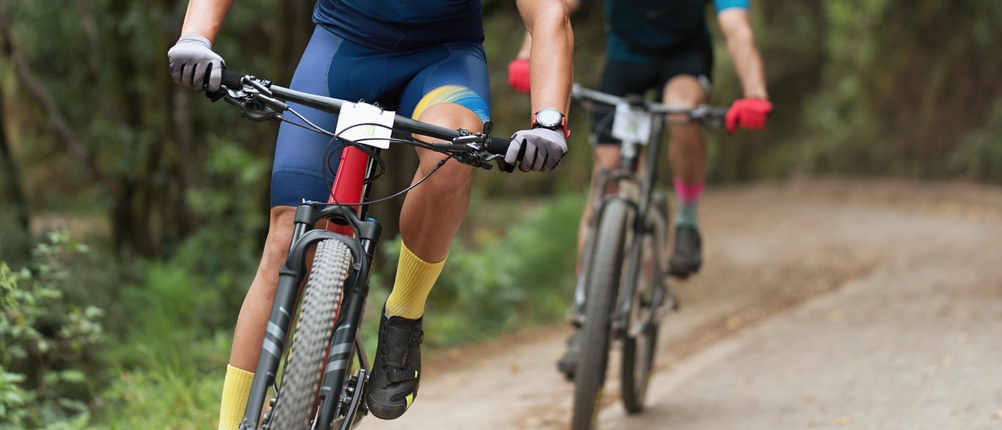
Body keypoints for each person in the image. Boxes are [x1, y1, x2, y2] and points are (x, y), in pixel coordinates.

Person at [168, 0, 573, 428]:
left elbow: (549, 13)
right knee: (287, 239)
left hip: (443, 61)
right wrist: (196, 37)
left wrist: (548, 120)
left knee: (450, 161)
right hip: (342, 48)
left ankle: (404, 314)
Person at [508, 0, 771, 376]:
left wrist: (755, 94)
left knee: (681, 113)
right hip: (627, 59)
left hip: (684, 59)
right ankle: (586, 309)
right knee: (606, 177)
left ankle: (687, 221)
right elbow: (551, 7)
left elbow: (738, 30)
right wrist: (526, 56)